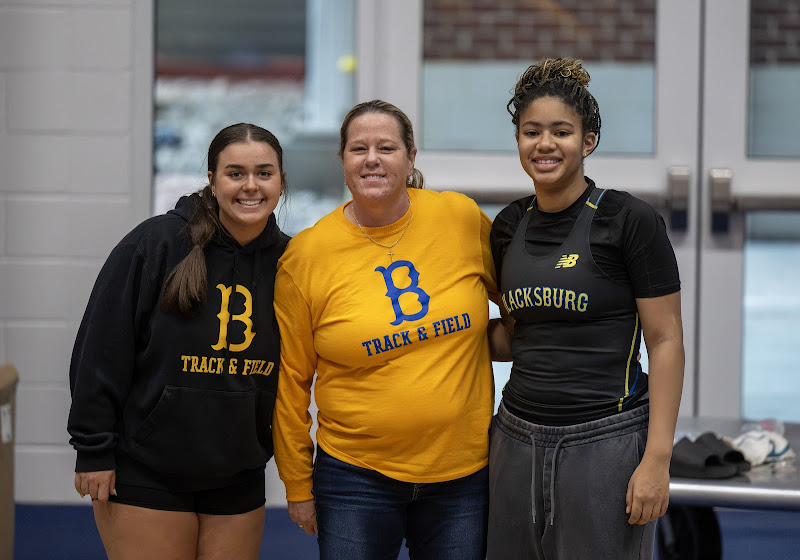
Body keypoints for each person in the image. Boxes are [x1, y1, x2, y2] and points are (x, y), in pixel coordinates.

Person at [272, 99, 500, 559]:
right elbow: (290, 383)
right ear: (342, 162)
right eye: (358, 148)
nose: (372, 158)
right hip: (355, 477)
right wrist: (297, 483)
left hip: (461, 475)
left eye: (387, 147)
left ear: (411, 157)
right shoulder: (307, 256)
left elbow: (521, 306)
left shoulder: (459, 218)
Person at [487, 57, 685, 560]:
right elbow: (518, 333)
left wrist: (657, 459)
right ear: (517, 140)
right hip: (515, 434)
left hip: (605, 439)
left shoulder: (629, 220)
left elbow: (665, 341)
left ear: (588, 141)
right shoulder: (509, 225)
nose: (545, 144)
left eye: (561, 131)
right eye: (531, 131)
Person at [67, 123, 290, 560]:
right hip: (147, 470)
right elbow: (101, 350)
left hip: (238, 473)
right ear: (211, 180)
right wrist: (93, 448)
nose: (250, 186)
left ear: (281, 181)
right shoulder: (156, 244)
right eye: (235, 173)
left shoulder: (292, 262)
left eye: (264, 173)